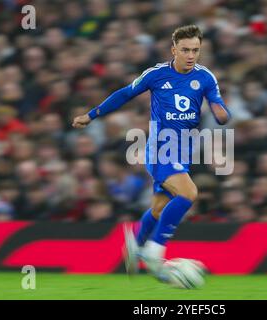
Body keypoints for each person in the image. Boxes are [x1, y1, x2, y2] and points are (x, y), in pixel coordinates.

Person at [72, 25, 230, 282]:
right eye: (185, 50)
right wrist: (92, 115)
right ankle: (155, 251)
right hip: (161, 149)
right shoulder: (156, 74)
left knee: (159, 209)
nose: (191, 55)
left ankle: (136, 244)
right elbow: (125, 94)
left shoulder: (206, 77)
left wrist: (221, 112)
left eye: (196, 50)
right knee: (189, 193)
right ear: (174, 50)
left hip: (184, 150)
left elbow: (217, 103)